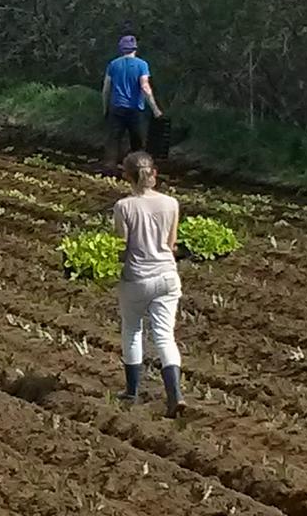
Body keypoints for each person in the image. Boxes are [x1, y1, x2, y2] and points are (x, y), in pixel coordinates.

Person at [113, 151, 185, 418]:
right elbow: (171, 245)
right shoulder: (171, 203)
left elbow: (122, 247)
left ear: (127, 177)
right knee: (165, 335)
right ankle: (175, 395)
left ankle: (132, 391)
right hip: (167, 276)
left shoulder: (124, 207)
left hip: (137, 278)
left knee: (132, 330)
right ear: (154, 174)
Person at [102, 34, 163, 171]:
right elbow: (145, 87)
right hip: (136, 109)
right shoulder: (142, 65)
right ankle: (138, 170)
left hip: (116, 107)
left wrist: (105, 107)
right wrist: (155, 109)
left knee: (113, 140)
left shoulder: (113, 64)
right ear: (135, 49)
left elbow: (106, 89)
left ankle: (109, 168)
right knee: (138, 142)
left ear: (121, 49)